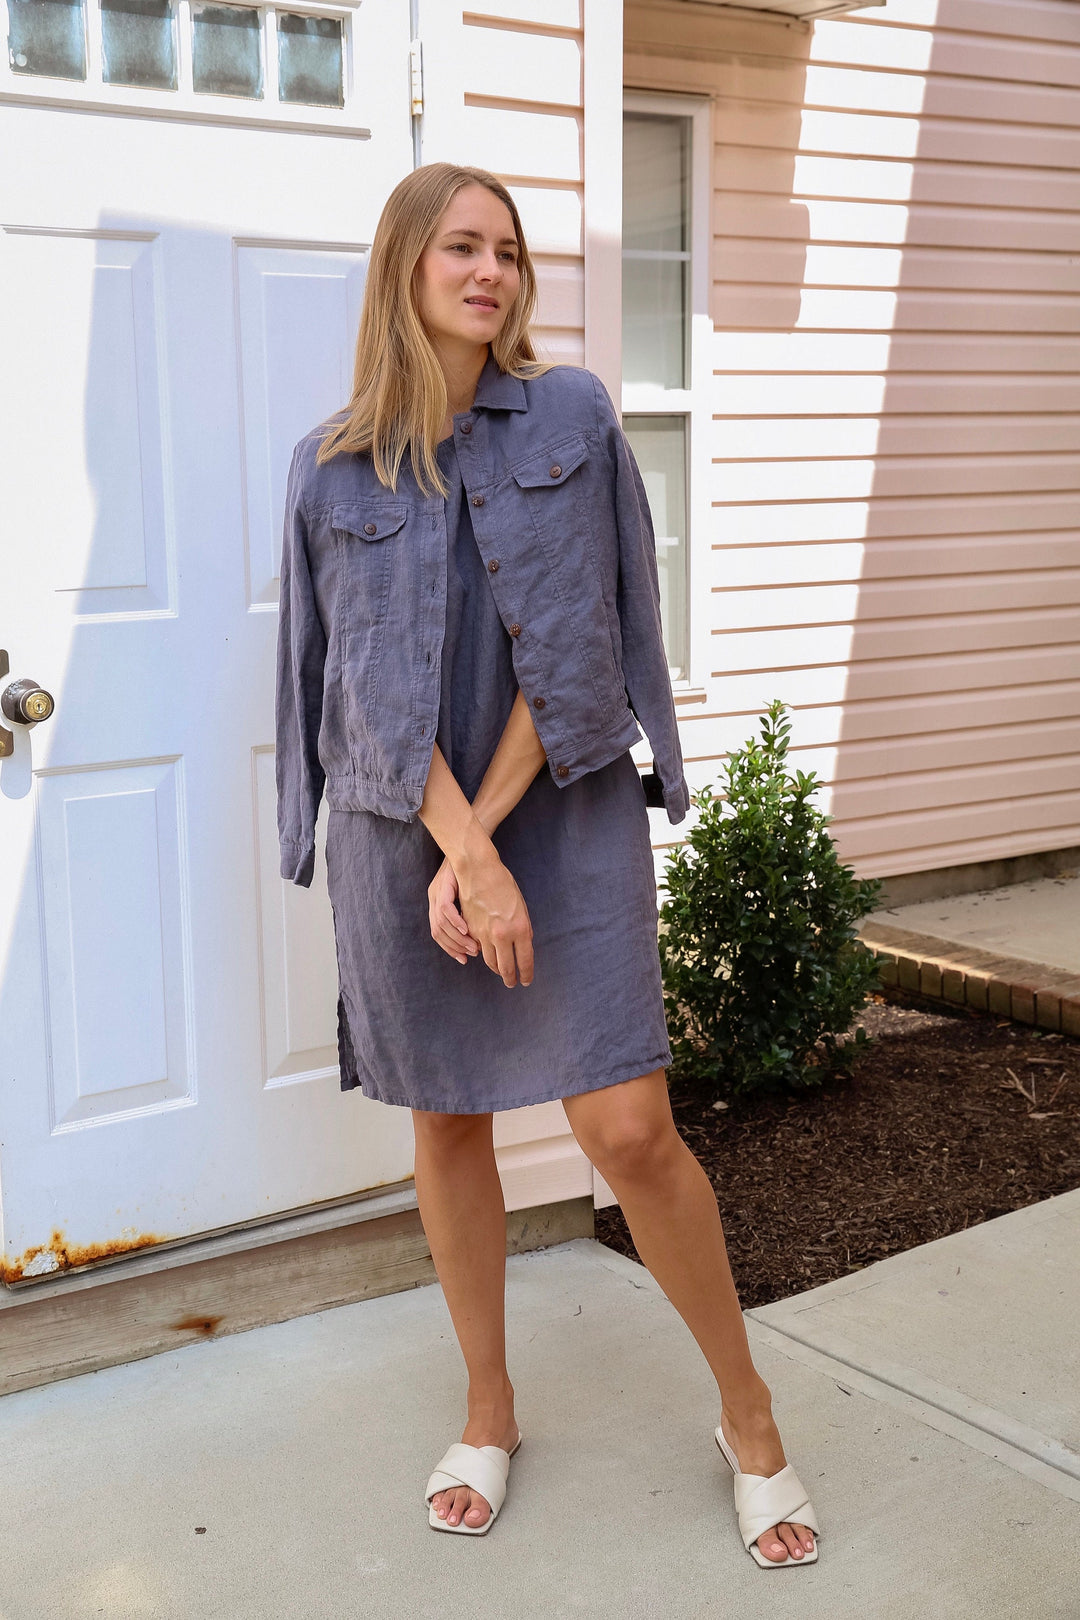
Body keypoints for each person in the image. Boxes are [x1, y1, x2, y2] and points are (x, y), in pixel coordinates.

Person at [275, 162, 820, 1567]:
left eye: (508, 252)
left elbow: (583, 642)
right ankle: (490, 1403)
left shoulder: (569, 417)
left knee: (626, 1129)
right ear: (405, 266)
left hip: (561, 803)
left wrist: (503, 849)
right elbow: (352, 690)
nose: (491, 274)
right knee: (448, 1118)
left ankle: (748, 1412)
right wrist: (456, 849)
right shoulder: (334, 462)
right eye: (461, 248)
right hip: (409, 828)